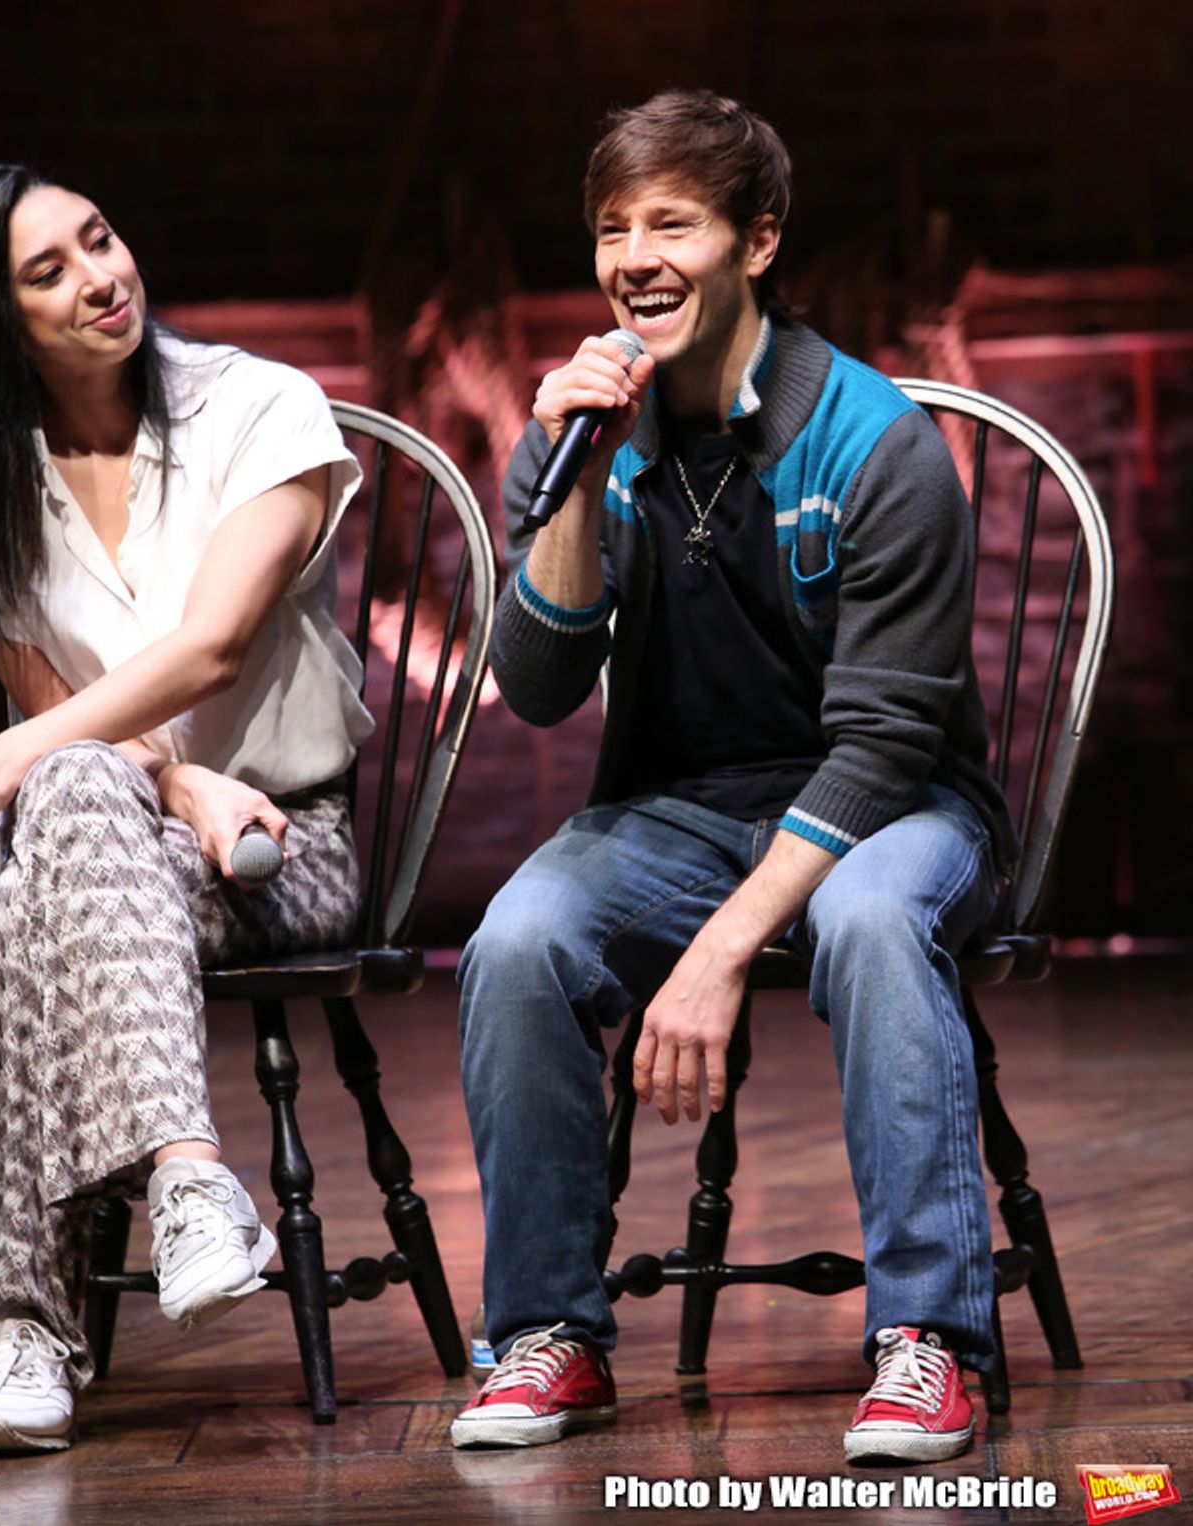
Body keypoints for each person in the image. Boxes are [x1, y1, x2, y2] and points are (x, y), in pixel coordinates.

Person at [451, 90, 1016, 1465]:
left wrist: (713, 954)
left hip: (895, 806)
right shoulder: (588, 426)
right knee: (518, 937)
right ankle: (551, 1336)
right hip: (677, 808)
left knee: (873, 918)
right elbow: (533, 685)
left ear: (756, 240)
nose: (635, 256)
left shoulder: (874, 444)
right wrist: (573, 480)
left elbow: (885, 744)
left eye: (673, 223)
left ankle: (928, 1340)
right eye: (610, 228)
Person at [0, 165, 373, 1451]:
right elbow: (79, 724)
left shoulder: (260, 405)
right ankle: (189, 1174)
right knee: (74, 795)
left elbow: (210, 648)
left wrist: (11, 764)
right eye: (48, 270)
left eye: (98, 238)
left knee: (29, 859)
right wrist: (169, 776)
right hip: (120, 828)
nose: (101, 276)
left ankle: (20, 1325)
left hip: (288, 843)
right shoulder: (0, 491)